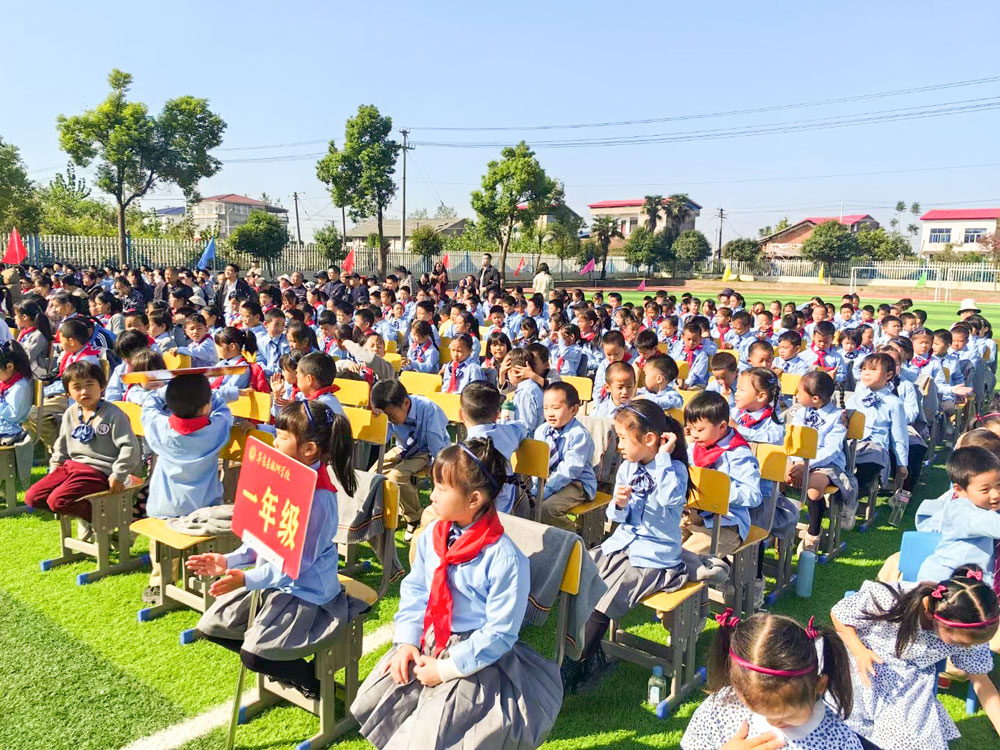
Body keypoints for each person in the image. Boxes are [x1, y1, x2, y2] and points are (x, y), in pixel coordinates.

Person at [351, 438, 561, 750]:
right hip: (430, 639)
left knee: (434, 732)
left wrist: (444, 669)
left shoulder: (505, 558)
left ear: (474, 498)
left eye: (441, 488)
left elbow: (500, 633)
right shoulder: (434, 536)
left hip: (477, 658)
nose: (432, 495)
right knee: (386, 697)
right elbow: (417, 589)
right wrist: (407, 641)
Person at [188, 403, 364, 701]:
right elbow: (260, 539)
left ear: (309, 449)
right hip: (271, 581)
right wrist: (228, 560)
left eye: (281, 437)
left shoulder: (320, 499)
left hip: (307, 593)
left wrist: (247, 579)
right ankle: (280, 663)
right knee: (211, 626)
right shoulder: (281, 477)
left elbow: (295, 565)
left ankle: (310, 678)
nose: (274, 442)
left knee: (254, 655)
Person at [563, 403, 690, 694]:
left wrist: (663, 457)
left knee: (607, 595)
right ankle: (588, 655)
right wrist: (619, 505)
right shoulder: (629, 467)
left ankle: (573, 662)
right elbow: (617, 517)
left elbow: (671, 499)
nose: (617, 445)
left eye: (622, 438)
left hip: (654, 556)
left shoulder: (674, 469)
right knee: (584, 574)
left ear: (650, 439)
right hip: (624, 545)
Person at [831, 566, 1000, 748]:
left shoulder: (971, 629)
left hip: (908, 684)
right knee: (839, 728)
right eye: (959, 643)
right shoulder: (892, 598)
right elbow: (839, 614)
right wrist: (859, 651)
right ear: (931, 615)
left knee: (914, 742)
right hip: (860, 665)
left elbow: (982, 683)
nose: (967, 648)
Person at [682, 612, 861, 750]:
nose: (774, 723)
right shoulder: (721, 709)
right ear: (737, 688)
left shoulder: (838, 741)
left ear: (819, 686)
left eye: (788, 716)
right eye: (760, 712)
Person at [24, 361, 141, 528]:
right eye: (77, 387)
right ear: (68, 393)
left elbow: (130, 447)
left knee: (58, 501)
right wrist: (56, 464)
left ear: (101, 386)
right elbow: (62, 444)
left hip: (99, 471)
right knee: (33, 497)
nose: (84, 391)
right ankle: (95, 514)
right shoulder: (70, 413)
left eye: (89, 384)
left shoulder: (114, 414)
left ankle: (107, 519)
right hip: (71, 467)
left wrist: (118, 474)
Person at [682, 391, 762, 561]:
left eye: (699, 429)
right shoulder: (697, 446)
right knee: (663, 545)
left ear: (722, 427)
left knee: (686, 558)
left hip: (728, 524)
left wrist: (719, 492)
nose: (694, 435)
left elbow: (754, 495)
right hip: (695, 515)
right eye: (690, 429)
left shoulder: (738, 455)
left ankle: (718, 570)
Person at [370, 380, 450, 542]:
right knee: (372, 475)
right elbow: (381, 440)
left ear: (406, 403)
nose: (391, 420)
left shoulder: (428, 409)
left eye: (392, 416)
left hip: (426, 451)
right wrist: (378, 421)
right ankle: (385, 513)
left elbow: (436, 444)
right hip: (403, 448)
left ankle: (414, 517)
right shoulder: (390, 412)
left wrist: (433, 465)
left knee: (396, 477)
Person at [786, 371, 856, 552]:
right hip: (799, 460)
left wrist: (808, 465)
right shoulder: (801, 412)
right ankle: (780, 524)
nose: (796, 395)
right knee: (779, 475)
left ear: (815, 398)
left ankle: (813, 533)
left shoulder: (837, 417)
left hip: (826, 464)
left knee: (814, 487)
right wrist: (798, 462)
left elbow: (831, 450)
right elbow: (794, 440)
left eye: (800, 392)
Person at [916, 446, 1000, 587]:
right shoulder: (960, 510)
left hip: (972, 583)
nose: (996, 494)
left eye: (999, 485)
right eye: (985, 490)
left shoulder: (988, 507)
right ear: (959, 490)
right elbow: (990, 524)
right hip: (944, 582)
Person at [459, 382, 529, 516]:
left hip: (473, 515)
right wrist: (504, 423)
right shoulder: (508, 433)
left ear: (460, 415)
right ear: (497, 415)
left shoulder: (460, 452)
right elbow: (522, 427)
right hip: (504, 512)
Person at [534, 382, 596, 531]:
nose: (550, 413)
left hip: (577, 483)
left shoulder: (579, 435)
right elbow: (537, 464)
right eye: (546, 408)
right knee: (523, 503)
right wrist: (537, 488)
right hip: (548, 481)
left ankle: (571, 538)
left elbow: (569, 471)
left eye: (556, 408)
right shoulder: (541, 431)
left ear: (574, 409)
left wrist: (545, 492)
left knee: (547, 508)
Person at [0, 341, 35, 445]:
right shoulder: (9, 382)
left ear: (9, 367)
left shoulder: (21, 386)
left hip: (10, 428)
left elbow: (13, 415)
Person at [13, 299, 55, 381]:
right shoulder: (25, 332)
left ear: (24, 317)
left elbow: (28, 358)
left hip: (34, 375)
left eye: (16, 315)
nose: (14, 318)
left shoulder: (38, 336)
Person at [506, 348, 543, 433]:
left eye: (508, 371)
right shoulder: (526, 389)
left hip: (528, 439)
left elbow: (527, 426)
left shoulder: (527, 392)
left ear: (515, 372)